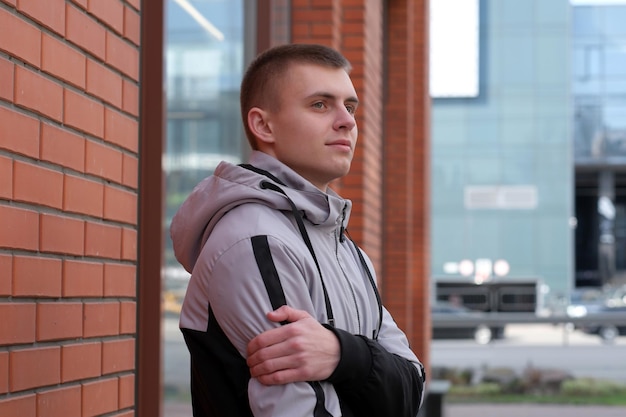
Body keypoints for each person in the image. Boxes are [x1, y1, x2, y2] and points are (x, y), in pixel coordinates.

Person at [170, 43, 425, 417]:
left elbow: (412, 388)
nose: (347, 121)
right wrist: (366, 368)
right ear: (263, 125)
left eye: (349, 106)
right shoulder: (256, 240)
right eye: (320, 104)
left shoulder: (346, 249)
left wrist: (342, 355)